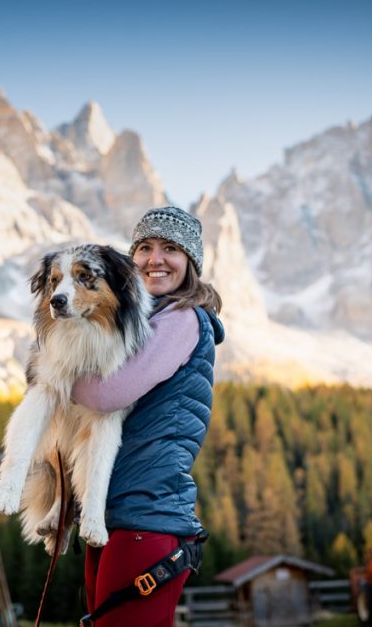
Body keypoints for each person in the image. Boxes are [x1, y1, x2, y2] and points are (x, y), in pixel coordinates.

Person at [72, 205, 224, 627]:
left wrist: (56, 375)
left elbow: (106, 395)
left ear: (190, 262)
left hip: (147, 518)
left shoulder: (181, 319)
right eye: (144, 247)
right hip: (118, 516)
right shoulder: (138, 324)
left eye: (170, 248)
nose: (155, 259)